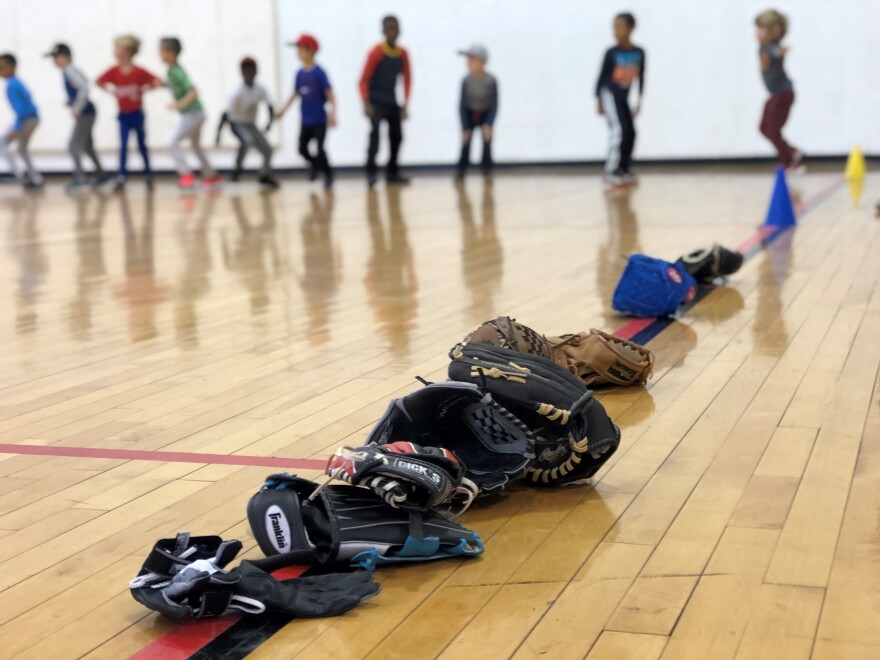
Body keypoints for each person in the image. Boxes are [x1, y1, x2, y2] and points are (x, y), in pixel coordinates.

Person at [96, 35, 161, 191]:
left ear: (127, 52)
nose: (116, 52)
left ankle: (148, 174)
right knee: (123, 145)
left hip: (137, 113)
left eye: (118, 49)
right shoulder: (114, 71)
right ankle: (121, 175)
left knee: (141, 145)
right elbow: (98, 81)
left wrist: (146, 89)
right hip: (123, 115)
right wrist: (111, 91)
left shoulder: (139, 72)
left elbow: (157, 81)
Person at [45, 43, 113, 191]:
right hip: (87, 112)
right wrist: (71, 102)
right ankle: (102, 174)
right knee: (87, 146)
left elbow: (83, 88)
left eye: (57, 57)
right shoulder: (69, 71)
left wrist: (76, 108)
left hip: (86, 113)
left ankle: (81, 178)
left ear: (66, 57)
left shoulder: (69, 71)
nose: (55, 61)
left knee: (73, 145)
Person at [159, 37, 222, 191]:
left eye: (161, 51)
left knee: (171, 142)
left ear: (171, 53)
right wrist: (162, 85)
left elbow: (193, 91)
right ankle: (211, 175)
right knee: (195, 146)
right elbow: (176, 87)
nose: (159, 54)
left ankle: (186, 174)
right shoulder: (171, 71)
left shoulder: (176, 71)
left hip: (193, 113)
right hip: (197, 113)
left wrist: (179, 104)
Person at [277, 34, 336, 188]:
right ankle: (316, 165)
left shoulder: (319, 73)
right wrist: (283, 110)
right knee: (302, 149)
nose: (298, 53)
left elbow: (330, 94)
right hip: (306, 120)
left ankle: (328, 174)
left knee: (320, 148)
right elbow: (295, 93)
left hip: (319, 120)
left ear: (310, 51)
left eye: (300, 49)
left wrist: (333, 114)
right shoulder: (299, 74)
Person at [359, 15, 411, 187]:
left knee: (397, 137)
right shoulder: (376, 53)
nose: (392, 32)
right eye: (388, 28)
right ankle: (371, 173)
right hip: (375, 101)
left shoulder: (403, 54)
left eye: (395, 28)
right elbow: (363, 80)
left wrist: (405, 103)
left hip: (392, 101)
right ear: (383, 30)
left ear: (399, 30)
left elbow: (407, 79)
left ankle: (392, 173)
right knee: (375, 136)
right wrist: (366, 102)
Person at [595, 12, 645, 189]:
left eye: (619, 27)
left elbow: (641, 78)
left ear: (631, 28)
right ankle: (610, 171)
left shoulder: (639, 52)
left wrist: (639, 101)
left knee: (631, 132)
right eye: (614, 27)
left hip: (624, 98)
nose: (615, 31)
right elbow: (601, 77)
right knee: (618, 130)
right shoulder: (611, 53)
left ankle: (623, 169)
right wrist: (598, 100)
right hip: (609, 94)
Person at [216, 57, 278, 188]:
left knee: (268, 150)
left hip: (250, 124)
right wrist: (218, 134)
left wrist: (269, 124)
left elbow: (270, 107)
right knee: (247, 140)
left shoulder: (260, 89)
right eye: (246, 71)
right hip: (235, 123)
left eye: (251, 70)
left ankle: (264, 174)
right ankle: (237, 169)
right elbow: (225, 114)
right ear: (242, 73)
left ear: (256, 72)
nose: (248, 74)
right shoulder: (236, 92)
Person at [755, 10, 802, 172]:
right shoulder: (762, 47)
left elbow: (776, 51)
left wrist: (780, 52)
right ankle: (791, 152)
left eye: (762, 30)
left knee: (774, 132)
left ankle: (790, 162)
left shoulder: (771, 48)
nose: (757, 33)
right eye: (757, 29)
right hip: (775, 95)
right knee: (763, 128)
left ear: (772, 32)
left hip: (783, 95)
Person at [0, 53, 42, 189]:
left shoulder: (12, 85)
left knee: (2, 143)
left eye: (2, 67)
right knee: (22, 149)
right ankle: (36, 179)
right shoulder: (17, 82)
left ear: (12, 67)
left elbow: (20, 109)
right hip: (32, 118)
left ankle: (17, 174)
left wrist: (16, 127)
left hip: (26, 119)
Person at [456, 44, 498, 180]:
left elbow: (494, 104)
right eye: (468, 60)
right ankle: (460, 172)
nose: (469, 63)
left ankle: (487, 171)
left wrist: (489, 124)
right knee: (466, 143)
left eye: (473, 60)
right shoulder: (466, 80)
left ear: (483, 62)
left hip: (485, 113)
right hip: (470, 113)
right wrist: (464, 127)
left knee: (487, 142)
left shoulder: (491, 81)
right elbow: (462, 105)